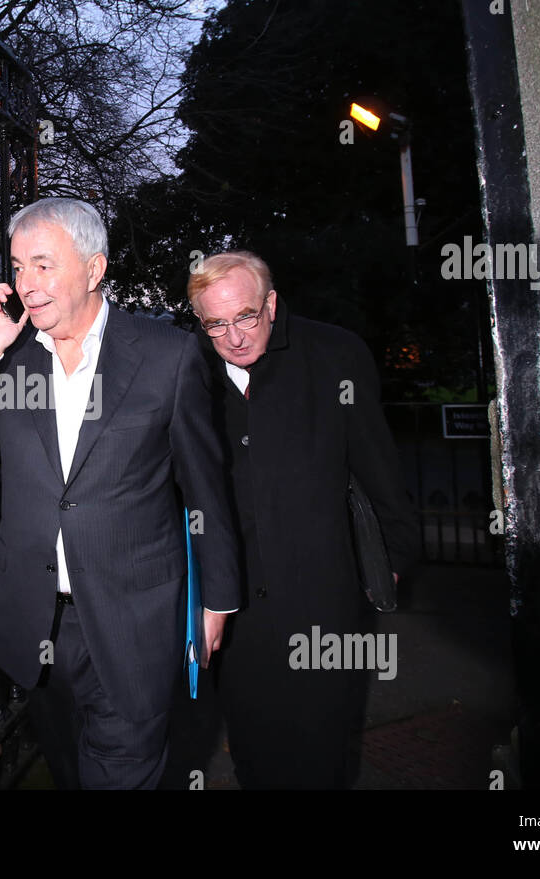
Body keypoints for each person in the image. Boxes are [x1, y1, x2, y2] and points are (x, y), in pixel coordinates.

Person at [0, 198, 240, 789]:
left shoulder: (167, 356)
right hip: (38, 625)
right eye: (19, 267)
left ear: (94, 269)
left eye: (43, 265)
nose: (26, 284)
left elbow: (206, 487)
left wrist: (218, 598)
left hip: (135, 622)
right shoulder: (12, 357)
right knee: (68, 768)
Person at [188, 251, 419, 789]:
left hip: (325, 602)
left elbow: (378, 469)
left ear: (271, 303)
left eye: (245, 316)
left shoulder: (334, 354)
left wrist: (393, 563)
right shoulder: (189, 369)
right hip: (234, 607)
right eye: (216, 324)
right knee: (255, 751)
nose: (235, 337)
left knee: (318, 758)